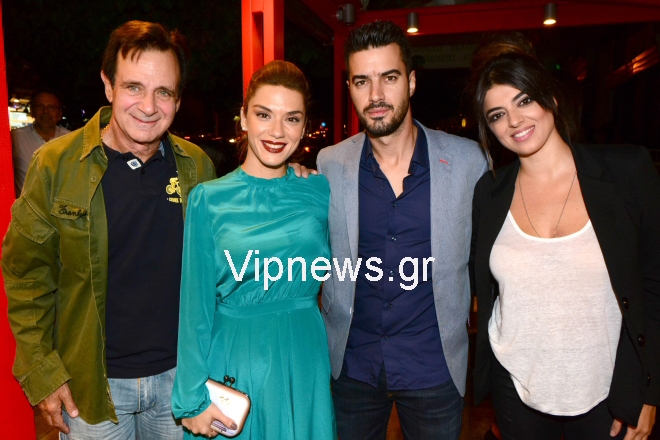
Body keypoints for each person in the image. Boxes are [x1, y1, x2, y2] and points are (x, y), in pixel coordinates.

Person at [1, 21, 215, 439]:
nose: (148, 106)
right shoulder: (56, 165)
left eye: (164, 92)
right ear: (108, 85)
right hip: (90, 389)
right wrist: (43, 373)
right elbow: (25, 276)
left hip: (182, 382)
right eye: (134, 87)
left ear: (177, 99)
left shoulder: (197, 167)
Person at [469, 34, 659, 440]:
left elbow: (655, 284)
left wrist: (648, 389)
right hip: (515, 386)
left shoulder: (627, 172)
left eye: (524, 101)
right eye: (498, 114)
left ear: (551, 99)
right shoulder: (489, 193)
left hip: (609, 390)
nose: (514, 121)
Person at [317, 20, 488, 440]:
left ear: (410, 82)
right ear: (350, 87)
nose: (375, 95)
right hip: (353, 367)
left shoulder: (469, 162)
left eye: (389, 78)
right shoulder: (328, 165)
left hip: (434, 367)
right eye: (362, 81)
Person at [171, 60, 336, 440]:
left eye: (291, 119)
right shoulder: (208, 200)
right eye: (264, 114)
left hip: (304, 358)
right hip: (235, 358)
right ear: (243, 118)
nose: (277, 131)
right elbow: (194, 308)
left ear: (304, 128)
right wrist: (191, 399)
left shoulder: (319, 190)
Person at [11, 89, 70, 196]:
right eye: (40, 106)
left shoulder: (70, 138)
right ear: (32, 111)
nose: (45, 111)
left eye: (51, 107)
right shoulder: (16, 137)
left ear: (59, 113)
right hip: (26, 205)